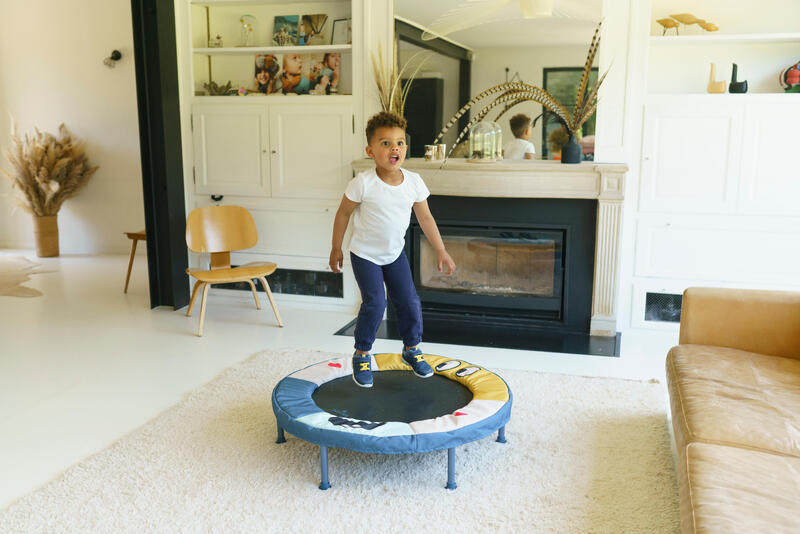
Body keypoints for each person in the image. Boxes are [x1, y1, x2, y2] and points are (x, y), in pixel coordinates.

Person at [329, 111, 456, 388]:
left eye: (399, 143)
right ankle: (362, 354)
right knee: (376, 303)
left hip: (394, 254)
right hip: (365, 255)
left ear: (406, 148)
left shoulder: (413, 182)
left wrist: (441, 250)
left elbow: (425, 218)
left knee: (409, 301)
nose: (393, 148)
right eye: (385, 143)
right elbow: (342, 214)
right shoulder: (362, 183)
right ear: (370, 151)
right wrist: (336, 248)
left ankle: (411, 349)